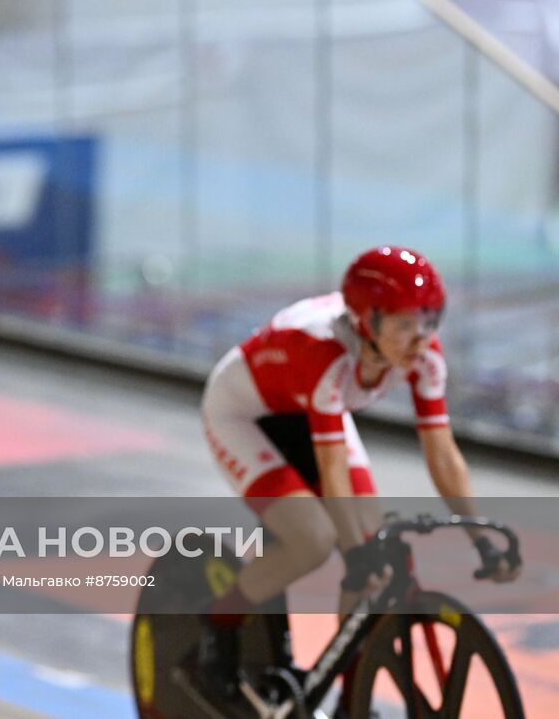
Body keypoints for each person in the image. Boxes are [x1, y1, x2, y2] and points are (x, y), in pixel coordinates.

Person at [196, 245, 519, 701]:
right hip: (244, 416)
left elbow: (442, 452)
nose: (421, 338)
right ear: (367, 323)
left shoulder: (423, 355)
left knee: (370, 558)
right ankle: (218, 631)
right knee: (314, 540)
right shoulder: (324, 354)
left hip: (313, 408)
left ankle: (351, 694)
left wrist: (480, 537)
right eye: (405, 325)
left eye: (428, 320)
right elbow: (332, 469)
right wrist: (357, 550)